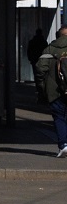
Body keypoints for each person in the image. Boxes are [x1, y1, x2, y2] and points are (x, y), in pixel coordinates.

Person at [33, 25, 67, 158]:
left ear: (58, 36)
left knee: (59, 117)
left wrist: (43, 86)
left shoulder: (49, 49)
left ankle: (64, 145)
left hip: (55, 90)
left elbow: (40, 69)